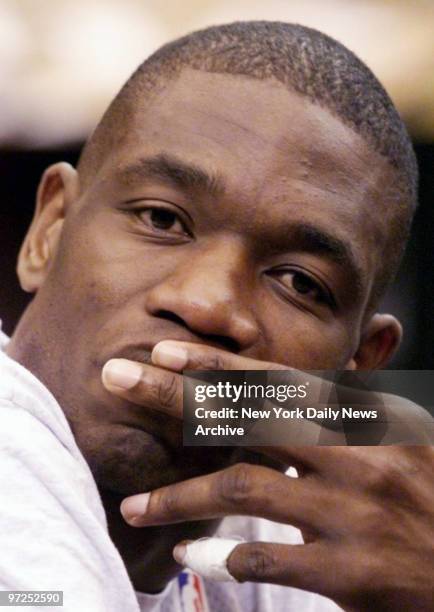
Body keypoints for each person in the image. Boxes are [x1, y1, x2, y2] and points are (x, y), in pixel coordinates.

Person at [1, 20, 433, 612]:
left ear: (355, 371)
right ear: (48, 233)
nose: (208, 305)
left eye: (298, 283)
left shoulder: (290, 536)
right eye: (161, 219)